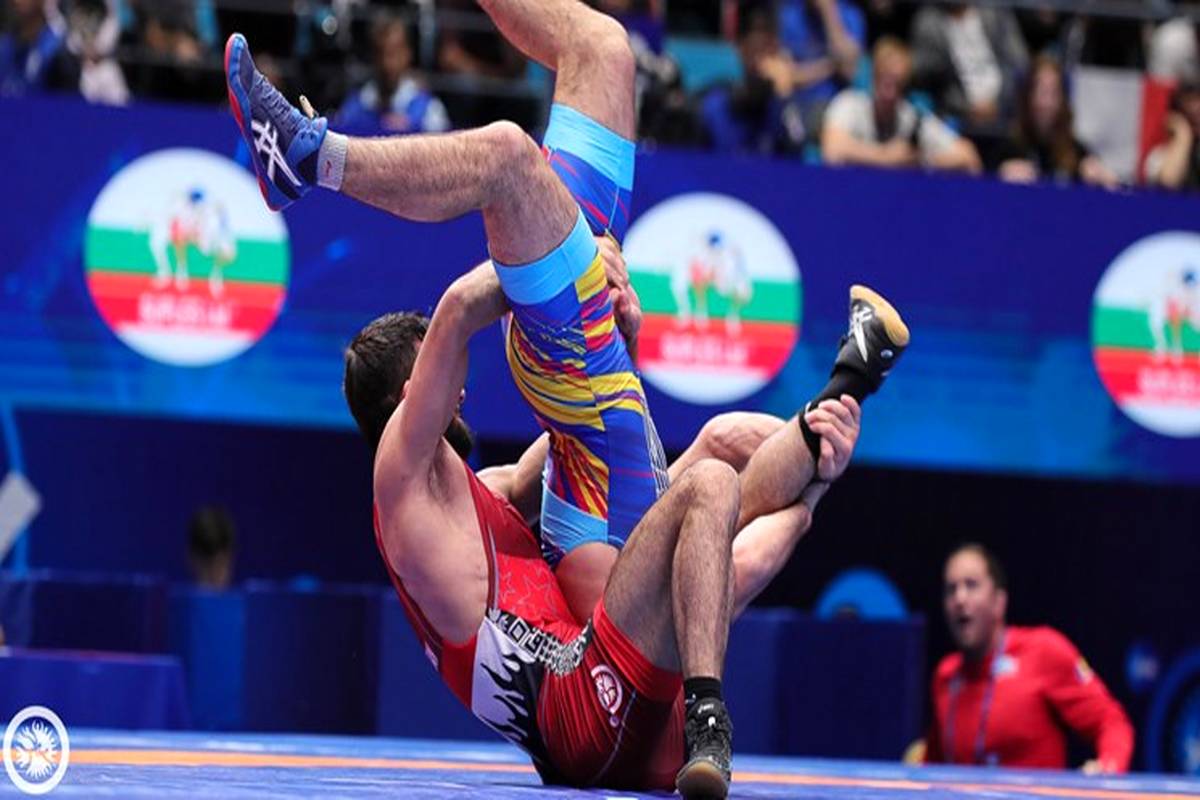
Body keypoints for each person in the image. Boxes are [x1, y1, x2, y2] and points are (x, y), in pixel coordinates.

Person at [926, 543, 1134, 773]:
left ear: (999, 601)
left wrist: (1108, 768)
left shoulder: (1043, 651)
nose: (960, 598)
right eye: (951, 589)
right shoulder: (945, 675)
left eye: (971, 585)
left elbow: (1111, 722)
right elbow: (933, 764)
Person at [822, 36, 981, 173]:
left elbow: (968, 156)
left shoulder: (913, 119)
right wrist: (885, 156)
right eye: (886, 81)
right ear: (874, 75)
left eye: (897, 84)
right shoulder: (849, 105)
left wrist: (921, 161)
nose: (890, 92)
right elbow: (833, 151)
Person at [993, 56, 1117, 189]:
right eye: (1041, 91)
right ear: (1027, 96)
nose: (1047, 102)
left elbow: (1108, 184)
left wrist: (1102, 179)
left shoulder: (1077, 152)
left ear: (1063, 100)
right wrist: (1000, 174)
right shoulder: (1008, 148)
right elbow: (985, 184)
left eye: (1054, 93)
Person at [335, 13, 450, 135]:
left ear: (408, 53)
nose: (387, 64)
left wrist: (410, 130)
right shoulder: (353, 107)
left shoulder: (429, 111)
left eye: (394, 53)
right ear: (371, 56)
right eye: (380, 53)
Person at [1145, 79, 1200, 192]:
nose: (1195, 108)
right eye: (1189, 101)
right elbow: (1169, 183)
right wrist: (1184, 136)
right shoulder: (1161, 152)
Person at [187, 505, 236, 590]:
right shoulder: (175, 598)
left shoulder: (248, 598)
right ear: (192, 560)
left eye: (220, 566)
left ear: (229, 558)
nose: (214, 577)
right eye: (207, 566)